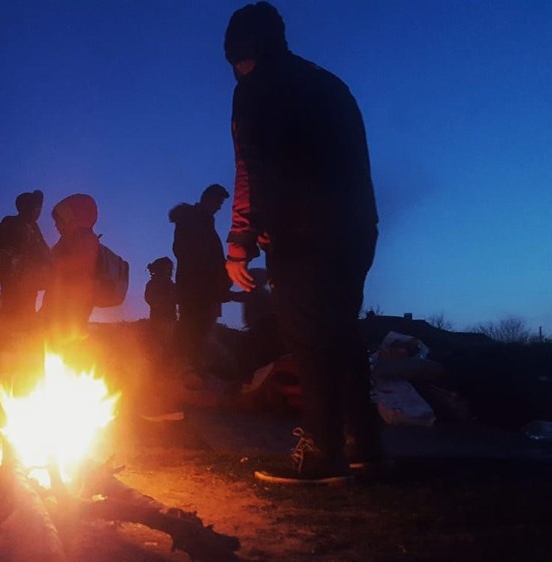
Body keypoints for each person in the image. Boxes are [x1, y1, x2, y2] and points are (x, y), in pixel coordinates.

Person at [223, 2, 381, 484]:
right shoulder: (330, 85)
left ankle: (322, 451)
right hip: (356, 230)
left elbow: (252, 168)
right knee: (341, 332)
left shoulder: (256, 89)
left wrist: (240, 240)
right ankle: (364, 446)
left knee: (309, 339)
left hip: (301, 234)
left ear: (241, 51)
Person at [168, 184, 232, 375]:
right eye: (218, 202)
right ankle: (182, 372)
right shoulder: (192, 220)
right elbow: (184, 251)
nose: (219, 207)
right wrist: (213, 275)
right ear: (207, 198)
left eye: (221, 203)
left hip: (203, 289)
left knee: (196, 332)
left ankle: (184, 372)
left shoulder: (203, 221)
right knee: (193, 332)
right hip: (197, 290)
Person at [41, 194, 99, 350]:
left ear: (72, 218)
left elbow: (79, 264)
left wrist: (51, 265)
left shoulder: (85, 239)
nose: (56, 225)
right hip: (60, 301)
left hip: (72, 303)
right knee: (55, 340)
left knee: (68, 341)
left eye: (59, 221)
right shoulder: (68, 239)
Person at [0, 190, 51, 331]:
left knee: (27, 315)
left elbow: (44, 250)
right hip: (13, 280)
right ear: (27, 208)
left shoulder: (34, 228)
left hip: (30, 282)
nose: (38, 213)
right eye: (36, 209)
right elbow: (4, 249)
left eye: (39, 209)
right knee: (12, 314)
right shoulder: (11, 222)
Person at [144, 257, 177, 363]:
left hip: (168, 320)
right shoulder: (154, 284)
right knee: (159, 348)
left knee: (165, 348)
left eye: (170, 269)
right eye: (168, 269)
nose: (170, 271)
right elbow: (150, 299)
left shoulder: (169, 284)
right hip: (159, 320)